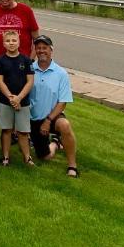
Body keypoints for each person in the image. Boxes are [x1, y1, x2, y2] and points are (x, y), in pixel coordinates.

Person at [29, 35, 79, 177]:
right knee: (45, 156)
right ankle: (56, 144)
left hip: (52, 116)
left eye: (44, 48)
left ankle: (72, 166)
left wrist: (48, 120)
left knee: (65, 125)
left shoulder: (61, 73)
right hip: (33, 119)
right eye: (38, 48)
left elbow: (62, 102)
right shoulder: (29, 70)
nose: (41, 51)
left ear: (51, 50)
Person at [0, 29, 34, 167]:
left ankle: (27, 158)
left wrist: (19, 98)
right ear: (4, 44)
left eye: (14, 40)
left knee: (23, 131)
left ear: (19, 42)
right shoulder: (0, 61)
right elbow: (0, 81)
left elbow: (30, 82)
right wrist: (11, 98)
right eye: (8, 41)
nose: (11, 43)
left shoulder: (26, 60)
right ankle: (5, 157)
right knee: (6, 130)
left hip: (23, 102)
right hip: (5, 101)